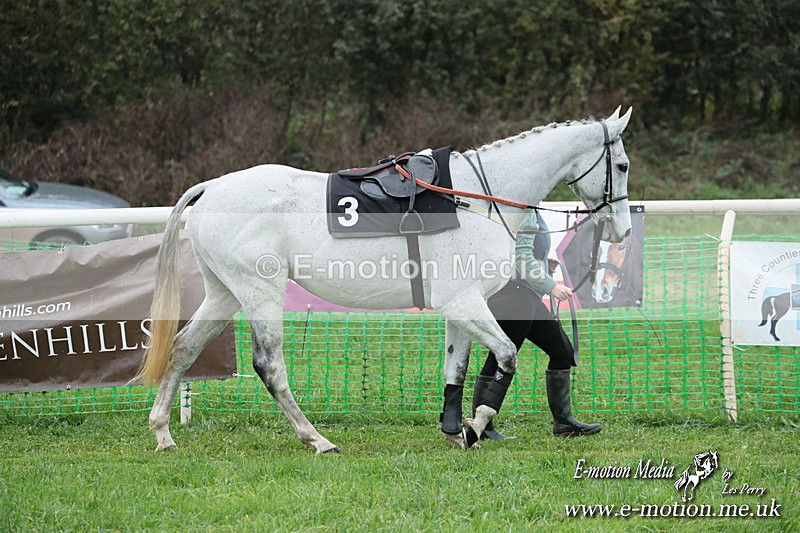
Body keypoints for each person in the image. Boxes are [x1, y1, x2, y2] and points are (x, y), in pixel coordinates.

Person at [471, 210, 602, 439]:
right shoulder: (524, 210)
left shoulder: (529, 209)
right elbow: (521, 258)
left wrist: (543, 263)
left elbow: (522, 253)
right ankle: (482, 427)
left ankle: (563, 424)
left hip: (525, 296)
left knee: (561, 351)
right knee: (501, 359)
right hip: (514, 296)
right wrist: (550, 285)